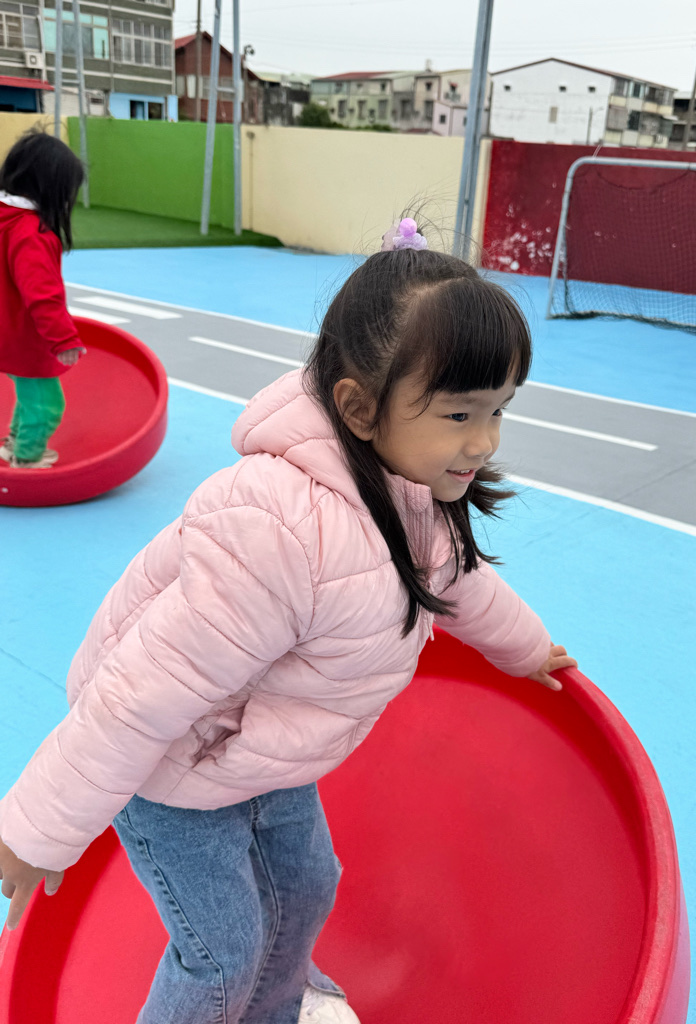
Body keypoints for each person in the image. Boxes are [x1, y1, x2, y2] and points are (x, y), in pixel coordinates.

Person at [0, 221, 576, 1024]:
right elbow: (141, 695)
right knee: (222, 954)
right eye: (458, 415)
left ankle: (274, 1013)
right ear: (359, 407)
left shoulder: (417, 494)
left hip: (260, 753)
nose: (483, 442)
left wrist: (526, 650)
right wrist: (38, 829)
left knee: (308, 889)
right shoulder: (275, 531)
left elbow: (459, 583)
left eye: (498, 411)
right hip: (176, 766)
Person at [0, 129, 85, 469]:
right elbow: (42, 293)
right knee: (47, 405)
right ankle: (27, 457)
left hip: (6, 332)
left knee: (28, 394)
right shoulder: (30, 233)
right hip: (25, 338)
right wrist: (63, 339)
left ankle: (13, 443)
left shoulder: (5, 218)